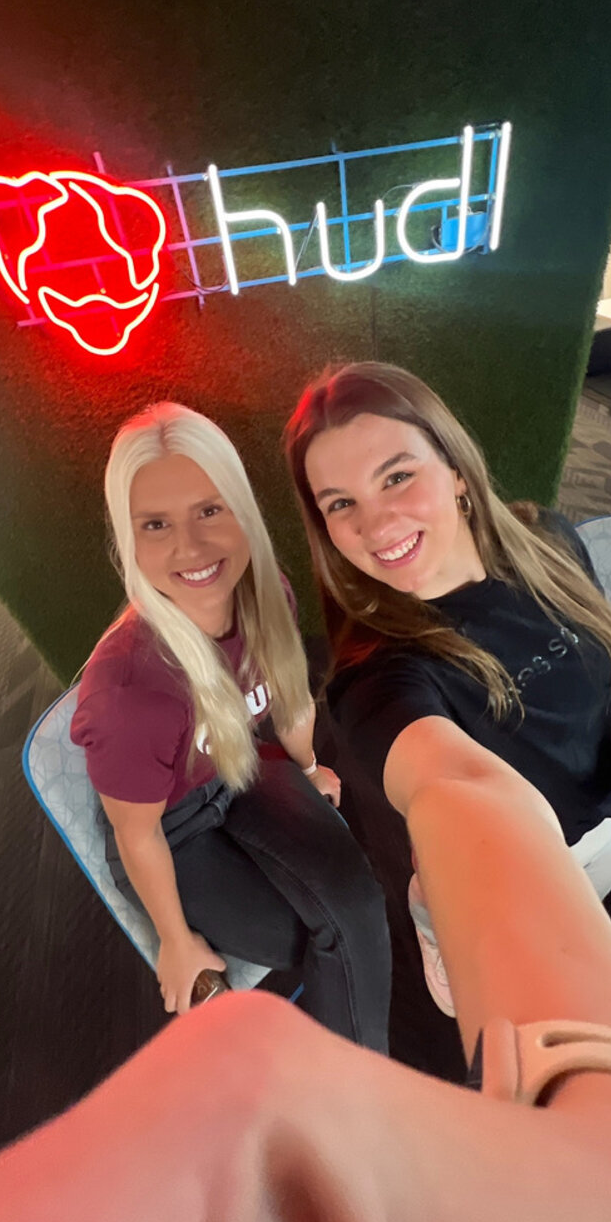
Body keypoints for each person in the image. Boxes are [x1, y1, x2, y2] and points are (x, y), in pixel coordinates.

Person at [0, 749, 611, 1222]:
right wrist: (180, 941)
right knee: (301, 976)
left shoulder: (253, 609)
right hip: (203, 828)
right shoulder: (144, 690)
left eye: (212, 513)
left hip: (265, 785)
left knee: (335, 933)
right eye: (340, 502)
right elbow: (455, 776)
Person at [282, 361, 611, 1028]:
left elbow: (608, 633)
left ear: (455, 469)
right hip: (512, 879)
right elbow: (446, 778)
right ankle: (434, 917)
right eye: (341, 503)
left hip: (608, 826)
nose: (375, 522)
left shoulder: (548, 540)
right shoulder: (376, 677)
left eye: (397, 476)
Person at [69, 401, 390, 1048]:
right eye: (156, 524)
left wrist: (304, 766)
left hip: (241, 762)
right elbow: (137, 835)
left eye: (209, 509)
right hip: (173, 825)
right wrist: (176, 942)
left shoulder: (264, 591)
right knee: (309, 936)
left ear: (242, 509)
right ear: (128, 539)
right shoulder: (127, 690)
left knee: (356, 911)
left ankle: (356, 1086)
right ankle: (349, 1084)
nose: (191, 547)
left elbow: (288, 690)